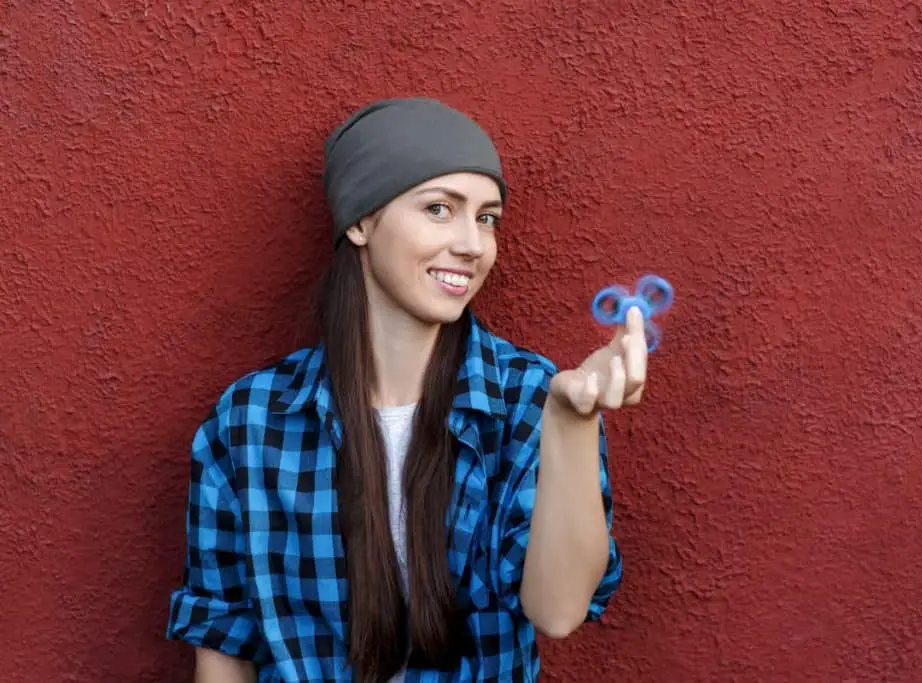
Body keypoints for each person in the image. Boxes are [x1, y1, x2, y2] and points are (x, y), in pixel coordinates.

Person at [166, 97, 647, 682]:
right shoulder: (250, 421)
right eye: (440, 209)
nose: (472, 243)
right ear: (361, 222)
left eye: (487, 217)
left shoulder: (528, 396)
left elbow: (559, 610)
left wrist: (572, 423)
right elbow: (223, 643)